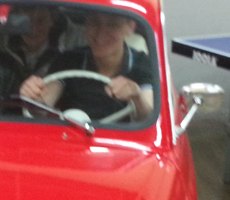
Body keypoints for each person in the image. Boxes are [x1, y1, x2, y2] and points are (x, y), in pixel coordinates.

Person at [19, 11, 154, 122]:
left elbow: (149, 117)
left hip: (122, 142)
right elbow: (43, 106)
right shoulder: (69, 59)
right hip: (72, 138)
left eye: (113, 25)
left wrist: (136, 97)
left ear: (130, 27)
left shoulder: (143, 63)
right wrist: (33, 96)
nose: (100, 34)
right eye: (94, 22)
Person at [6, 5, 66, 75]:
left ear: (52, 22)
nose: (33, 30)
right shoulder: (1, 48)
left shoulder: (64, 54)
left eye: (40, 21)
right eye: (27, 21)